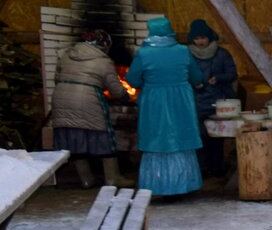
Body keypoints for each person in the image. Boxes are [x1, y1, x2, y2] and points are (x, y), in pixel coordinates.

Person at [124, 16, 204, 198]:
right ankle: (183, 185)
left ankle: (158, 186)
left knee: (156, 139)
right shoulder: (183, 51)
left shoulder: (143, 54)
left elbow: (132, 80)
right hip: (181, 100)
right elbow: (197, 77)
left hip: (154, 102)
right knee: (181, 137)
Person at [50, 28, 132, 188]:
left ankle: (87, 180)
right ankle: (113, 178)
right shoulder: (104, 61)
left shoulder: (66, 55)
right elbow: (116, 89)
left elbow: (57, 78)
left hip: (61, 99)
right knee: (104, 138)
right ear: (104, 45)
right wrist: (125, 96)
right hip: (87, 100)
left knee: (74, 139)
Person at [187, 19, 238, 178]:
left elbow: (232, 74)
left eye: (203, 38)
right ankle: (202, 169)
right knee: (199, 136)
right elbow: (183, 74)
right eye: (196, 38)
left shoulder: (222, 54)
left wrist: (219, 78)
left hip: (219, 100)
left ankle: (216, 168)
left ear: (209, 37)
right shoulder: (186, 55)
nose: (200, 42)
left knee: (216, 137)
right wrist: (193, 83)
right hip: (196, 100)